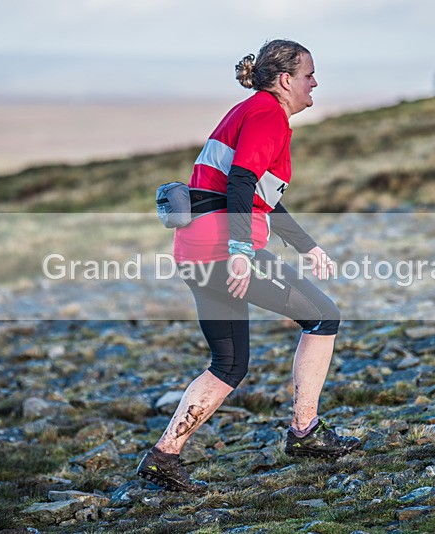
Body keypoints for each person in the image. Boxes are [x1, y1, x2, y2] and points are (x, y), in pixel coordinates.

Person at [137, 39, 361, 493]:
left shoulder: (249, 111)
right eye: (308, 75)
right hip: (222, 251)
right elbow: (241, 181)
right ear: (285, 81)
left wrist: (307, 247)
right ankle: (305, 432)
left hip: (194, 251)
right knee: (323, 316)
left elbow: (256, 196)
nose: (314, 82)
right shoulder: (267, 114)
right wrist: (241, 252)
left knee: (229, 364)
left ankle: (163, 457)